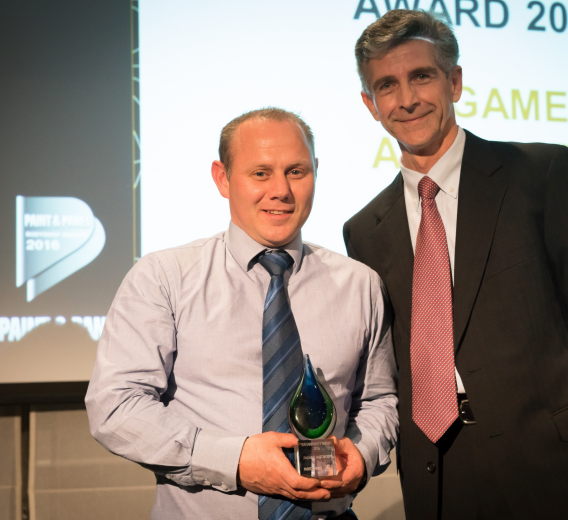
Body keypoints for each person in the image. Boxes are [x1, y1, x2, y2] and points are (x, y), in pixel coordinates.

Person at [343, 10, 568, 520]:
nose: (406, 98)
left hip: (563, 469)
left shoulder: (540, 175)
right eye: (386, 85)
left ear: (454, 81)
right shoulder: (364, 229)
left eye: (422, 76)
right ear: (370, 104)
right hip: (443, 476)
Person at [86, 108, 398, 520]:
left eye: (297, 171)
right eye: (261, 173)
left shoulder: (360, 284)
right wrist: (235, 460)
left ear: (316, 173)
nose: (281, 190)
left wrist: (362, 453)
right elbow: (115, 406)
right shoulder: (164, 278)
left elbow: (379, 401)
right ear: (222, 178)